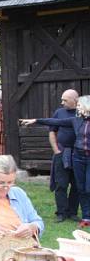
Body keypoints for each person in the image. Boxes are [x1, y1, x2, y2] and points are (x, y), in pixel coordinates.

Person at [21, 94, 90, 227]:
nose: (78, 108)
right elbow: (55, 122)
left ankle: (80, 213)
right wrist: (36, 120)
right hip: (76, 156)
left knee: (86, 187)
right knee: (74, 186)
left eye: (80, 106)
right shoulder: (76, 120)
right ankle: (81, 216)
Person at [48, 89, 80, 222]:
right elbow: (51, 132)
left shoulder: (83, 113)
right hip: (61, 152)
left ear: (75, 100)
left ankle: (72, 212)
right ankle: (61, 213)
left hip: (79, 154)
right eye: (62, 99)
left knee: (77, 184)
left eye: (65, 100)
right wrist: (56, 150)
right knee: (61, 184)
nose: (62, 103)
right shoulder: (59, 113)